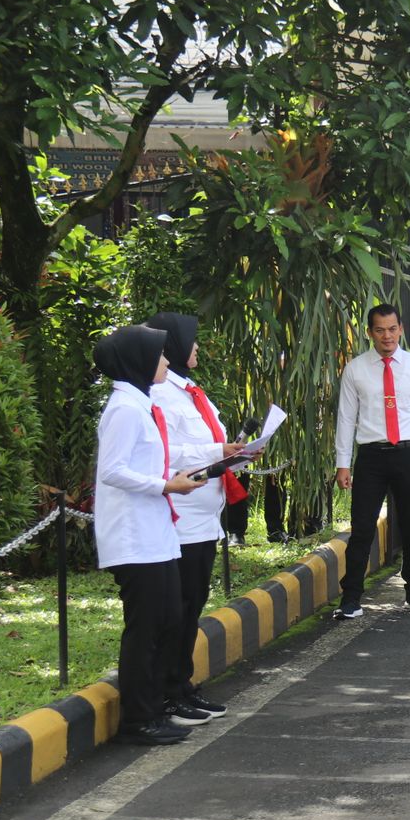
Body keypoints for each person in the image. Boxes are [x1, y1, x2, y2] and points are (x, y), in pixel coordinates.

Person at [94, 323, 201, 745]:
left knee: (168, 620)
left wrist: (175, 476)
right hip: (134, 537)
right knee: (145, 628)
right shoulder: (123, 409)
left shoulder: (140, 404)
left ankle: (154, 707)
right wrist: (165, 485)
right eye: (159, 355)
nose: (166, 361)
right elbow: (113, 471)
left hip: (155, 533)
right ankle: (138, 719)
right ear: (139, 361)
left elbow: (147, 462)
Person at [147, 311, 244, 726]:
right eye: (193, 340)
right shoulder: (161, 395)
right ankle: (169, 690)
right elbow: (172, 454)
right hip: (181, 518)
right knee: (180, 607)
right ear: (173, 345)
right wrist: (218, 452)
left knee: (194, 604)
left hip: (205, 517)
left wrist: (234, 451)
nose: (198, 348)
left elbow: (205, 444)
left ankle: (182, 684)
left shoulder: (189, 391)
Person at [333, 303, 410, 618]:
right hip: (371, 457)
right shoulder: (356, 369)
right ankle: (351, 597)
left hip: (409, 454)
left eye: (392, 329)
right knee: (362, 528)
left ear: (401, 329)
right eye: (380, 330)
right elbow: (346, 418)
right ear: (370, 333)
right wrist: (343, 463)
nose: (387, 336)